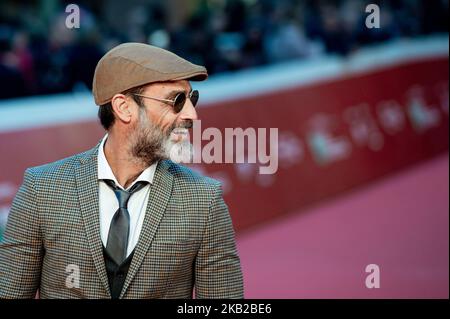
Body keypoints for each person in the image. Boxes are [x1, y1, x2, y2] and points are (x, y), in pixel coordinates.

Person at [0, 43, 244, 299]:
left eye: (192, 99)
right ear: (123, 107)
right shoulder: (42, 189)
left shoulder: (204, 200)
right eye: (177, 100)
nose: (192, 114)